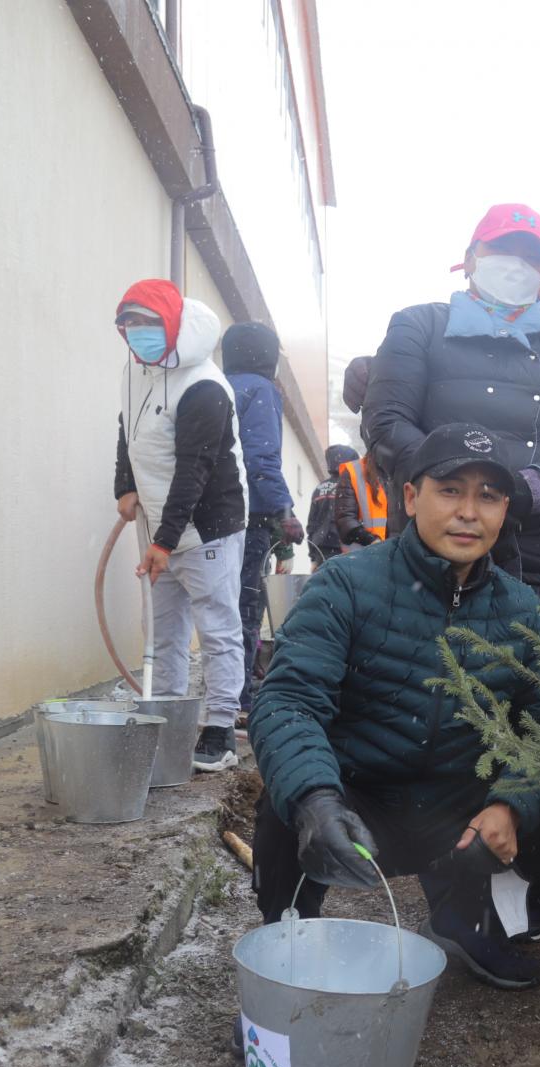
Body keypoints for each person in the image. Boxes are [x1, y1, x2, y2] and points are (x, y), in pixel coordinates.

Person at [249, 424, 540, 989]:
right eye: (450, 490)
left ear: (504, 509)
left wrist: (512, 803)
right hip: (360, 801)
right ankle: (285, 945)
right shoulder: (347, 584)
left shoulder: (519, 609)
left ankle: (465, 916)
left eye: (488, 496)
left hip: (456, 810)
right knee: (284, 802)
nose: (469, 512)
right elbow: (289, 700)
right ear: (412, 498)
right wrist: (316, 800)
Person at [361, 204, 540, 649]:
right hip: (436, 544)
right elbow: (385, 421)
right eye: (502, 248)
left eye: (530, 255)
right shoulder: (420, 324)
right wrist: (456, 491)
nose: (516, 263)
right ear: (471, 256)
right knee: (426, 681)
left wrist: (536, 487)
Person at [113, 279, 247, 772]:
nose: (137, 334)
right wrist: (124, 486)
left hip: (208, 523)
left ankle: (220, 728)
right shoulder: (136, 367)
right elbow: (126, 428)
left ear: (171, 325)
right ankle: (167, 720)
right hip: (157, 523)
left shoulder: (204, 385)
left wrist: (164, 542)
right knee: (161, 629)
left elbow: (196, 468)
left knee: (216, 627)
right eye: (129, 324)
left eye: (148, 324)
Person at [221, 321, 304, 721]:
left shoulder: (215, 384)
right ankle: (237, 698)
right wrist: (285, 513)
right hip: (244, 516)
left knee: (214, 605)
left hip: (201, 514)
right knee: (245, 602)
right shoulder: (260, 389)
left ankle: (221, 691)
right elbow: (261, 458)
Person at [306, 443, 360, 565]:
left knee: (324, 583)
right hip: (345, 548)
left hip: (321, 548)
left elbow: (311, 524)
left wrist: (313, 555)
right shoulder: (351, 486)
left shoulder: (319, 488)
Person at [332, 447, 390, 550]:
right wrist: (371, 540)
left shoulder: (403, 469)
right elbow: (345, 520)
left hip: (395, 554)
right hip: (363, 557)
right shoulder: (353, 472)